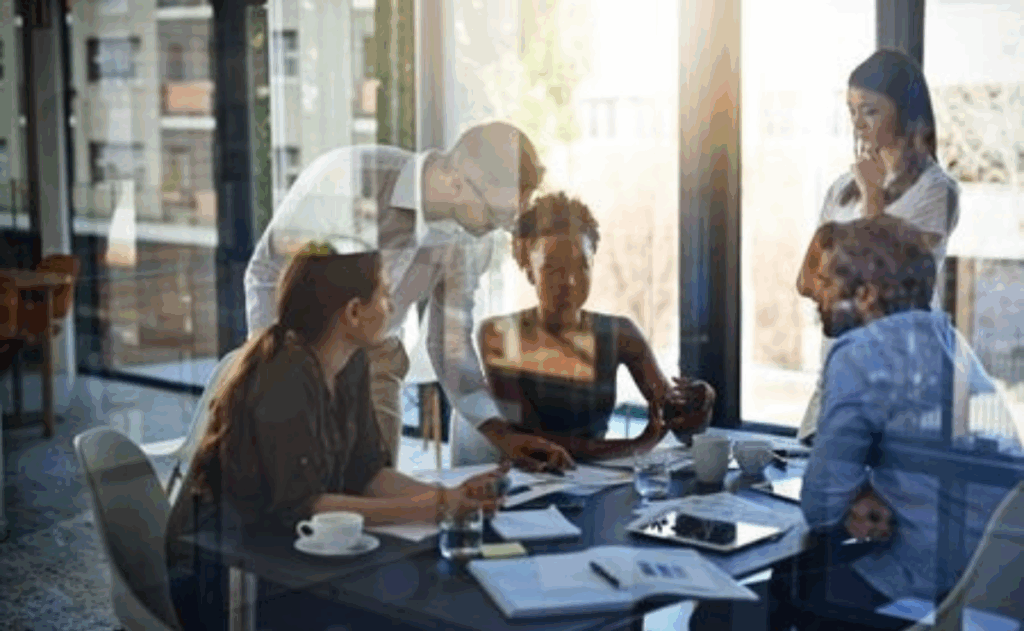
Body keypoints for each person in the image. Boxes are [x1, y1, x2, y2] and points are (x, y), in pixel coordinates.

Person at [167, 243, 508, 630]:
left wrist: (452, 498)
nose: (391, 302)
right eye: (382, 291)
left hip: (286, 559)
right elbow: (305, 506)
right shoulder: (284, 375)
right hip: (225, 576)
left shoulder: (351, 363)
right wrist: (439, 506)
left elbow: (369, 474)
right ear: (353, 312)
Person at [244, 121, 575, 473]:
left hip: (378, 357)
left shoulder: (470, 237)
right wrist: (277, 367)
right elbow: (266, 273)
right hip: (299, 348)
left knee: (376, 486)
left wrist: (500, 433)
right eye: (493, 214)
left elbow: (450, 343)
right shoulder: (352, 177)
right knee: (296, 485)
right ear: (455, 179)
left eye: (506, 218)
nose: (494, 228)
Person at [766, 217, 1022, 631]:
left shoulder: (863, 350)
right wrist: (869, 487)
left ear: (866, 295)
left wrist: (853, 491)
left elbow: (820, 505)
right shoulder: (947, 338)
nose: (818, 293)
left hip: (939, 582)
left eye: (830, 281)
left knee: (789, 583)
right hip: (1001, 580)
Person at [457, 192, 714, 463]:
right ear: (529, 269)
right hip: (527, 485)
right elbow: (534, 442)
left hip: (593, 483)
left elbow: (677, 424)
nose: (569, 281)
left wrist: (701, 406)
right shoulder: (498, 335)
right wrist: (637, 446)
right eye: (552, 268)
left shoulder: (620, 334)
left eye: (581, 266)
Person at [794, 48, 961, 444]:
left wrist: (873, 194)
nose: (857, 123)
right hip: (840, 359)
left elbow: (880, 274)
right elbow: (811, 276)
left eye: (869, 110)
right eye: (851, 110)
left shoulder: (936, 191)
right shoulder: (842, 188)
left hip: (901, 370)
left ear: (904, 111)